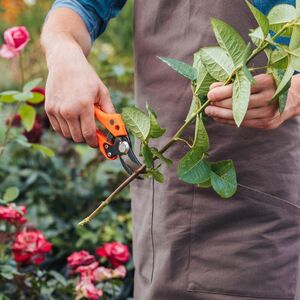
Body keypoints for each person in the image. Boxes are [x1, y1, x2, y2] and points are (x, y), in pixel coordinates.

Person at [41, 0, 300, 299]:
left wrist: (292, 93)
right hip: (162, 204)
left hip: (255, 213)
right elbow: (80, 6)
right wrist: (63, 51)